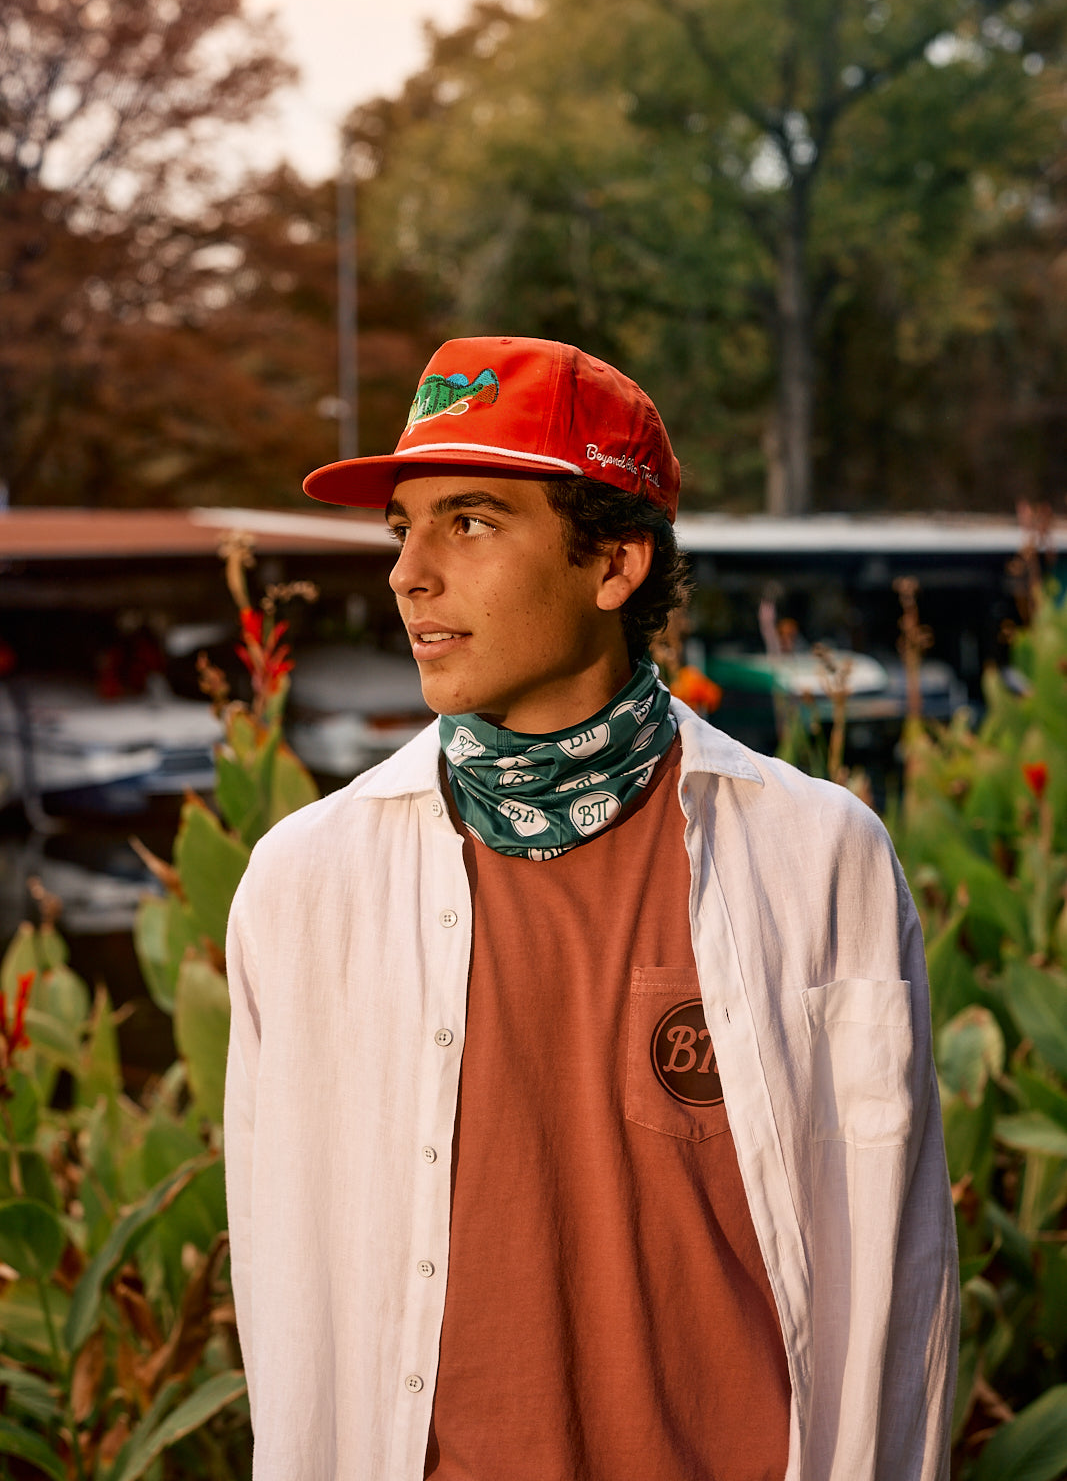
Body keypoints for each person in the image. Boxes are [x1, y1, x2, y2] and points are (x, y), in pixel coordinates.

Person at [224, 335, 959, 1481]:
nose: (408, 573)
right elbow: (284, 1294)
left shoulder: (820, 860)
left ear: (613, 563)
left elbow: (894, 1269)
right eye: (401, 528)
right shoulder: (304, 887)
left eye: (468, 521)